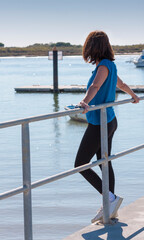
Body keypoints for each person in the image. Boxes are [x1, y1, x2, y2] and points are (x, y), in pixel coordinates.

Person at [74, 30, 140, 223]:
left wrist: (84, 102)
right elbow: (121, 84)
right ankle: (110, 206)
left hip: (99, 123)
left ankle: (109, 199)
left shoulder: (103, 66)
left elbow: (95, 87)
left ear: (92, 47)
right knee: (105, 161)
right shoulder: (110, 65)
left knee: (80, 164)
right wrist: (133, 95)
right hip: (109, 121)